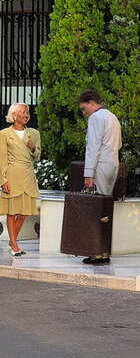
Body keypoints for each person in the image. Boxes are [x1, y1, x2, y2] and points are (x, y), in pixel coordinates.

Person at [78, 89, 122, 264]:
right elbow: (119, 144)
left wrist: (88, 173)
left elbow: (93, 147)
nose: (84, 112)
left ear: (91, 103)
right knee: (105, 209)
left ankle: (97, 253)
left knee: (96, 209)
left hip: (101, 165)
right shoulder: (112, 116)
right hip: (113, 164)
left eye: (84, 108)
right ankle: (103, 251)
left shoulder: (96, 117)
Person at [0, 103, 40, 256]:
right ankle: (14, 245)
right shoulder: (4, 134)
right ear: (14, 115)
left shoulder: (34, 133)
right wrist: (3, 180)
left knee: (23, 213)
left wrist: (33, 147)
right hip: (12, 175)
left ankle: (12, 241)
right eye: (23, 112)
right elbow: (2, 159)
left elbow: (38, 156)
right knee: (11, 212)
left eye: (27, 112)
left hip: (28, 175)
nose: (26, 115)